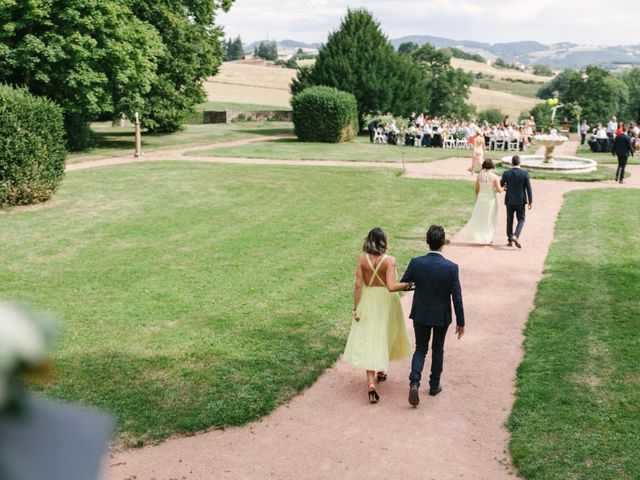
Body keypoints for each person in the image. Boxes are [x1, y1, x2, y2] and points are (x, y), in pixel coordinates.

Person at [343, 228, 412, 404]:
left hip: (368, 301)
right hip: (386, 303)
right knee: (384, 335)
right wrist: (408, 284)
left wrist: (356, 308)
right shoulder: (389, 261)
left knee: (370, 340)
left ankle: (371, 383)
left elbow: (358, 286)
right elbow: (391, 286)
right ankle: (381, 370)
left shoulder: (361, 259)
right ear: (384, 241)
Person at [400, 225, 465, 407]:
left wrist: (418, 284)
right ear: (442, 243)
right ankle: (434, 384)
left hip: (421, 312)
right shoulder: (451, 268)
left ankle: (414, 381)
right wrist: (461, 322)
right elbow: (457, 297)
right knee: (438, 348)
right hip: (441, 315)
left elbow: (405, 282)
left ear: (427, 242)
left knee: (420, 348)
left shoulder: (416, 263)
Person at [466, 159, 504, 245]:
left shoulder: (479, 175)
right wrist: (504, 188)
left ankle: (480, 236)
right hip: (491, 200)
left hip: (481, 200)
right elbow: (499, 190)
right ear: (492, 166)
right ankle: (487, 238)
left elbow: (476, 190)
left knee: (480, 218)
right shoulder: (494, 176)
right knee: (490, 219)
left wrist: (479, 198)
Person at [500, 155, 533, 248]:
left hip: (509, 200)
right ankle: (515, 235)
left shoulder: (506, 173)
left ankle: (510, 239)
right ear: (520, 163)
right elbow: (528, 188)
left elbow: (501, 185)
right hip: (520, 201)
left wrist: (506, 188)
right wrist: (530, 201)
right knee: (521, 219)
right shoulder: (525, 173)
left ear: (512, 163)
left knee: (509, 220)